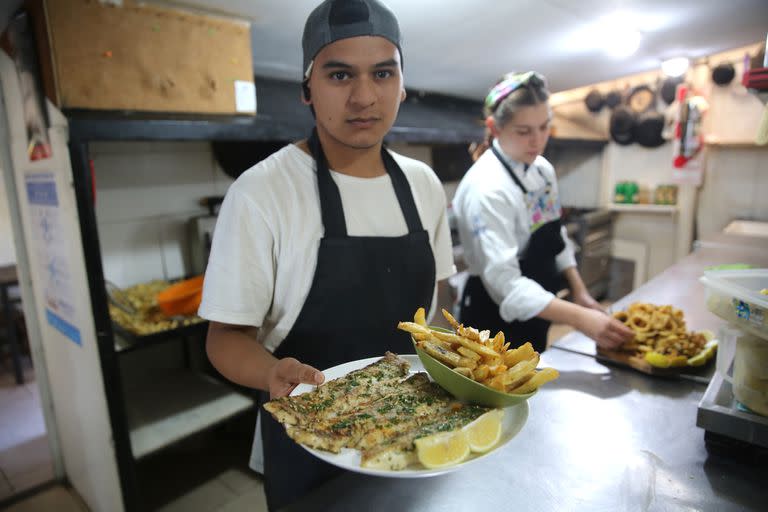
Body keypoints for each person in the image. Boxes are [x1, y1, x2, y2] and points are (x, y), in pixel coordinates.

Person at [198, 1, 455, 509]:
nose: (364, 96)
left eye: (383, 73)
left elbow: (437, 306)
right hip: (310, 443)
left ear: (402, 84)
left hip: (419, 434)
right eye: (340, 75)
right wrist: (271, 373)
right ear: (307, 88)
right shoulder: (262, 192)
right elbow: (224, 339)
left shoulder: (423, 185)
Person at [452, 71, 633, 354]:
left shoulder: (541, 170)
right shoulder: (487, 189)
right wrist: (579, 317)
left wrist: (580, 292)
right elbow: (507, 286)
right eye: (524, 131)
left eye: (544, 127)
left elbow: (553, 233)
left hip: (540, 304)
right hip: (493, 315)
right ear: (494, 128)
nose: (537, 141)